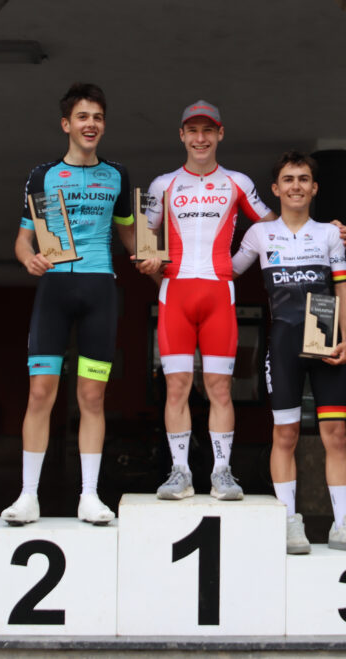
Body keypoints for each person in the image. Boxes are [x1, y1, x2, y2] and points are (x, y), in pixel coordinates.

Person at [232, 150, 346, 555]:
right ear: (275, 188)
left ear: (314, 188)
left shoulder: (329, 234)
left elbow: (342, 286)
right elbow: (226, 271)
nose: (295, 186)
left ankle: (342, 524)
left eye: (303, 179)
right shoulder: (260, 234)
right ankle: (287, 521)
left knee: (336, 434)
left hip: (324, 333)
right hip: (283, 340)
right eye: (288, 179)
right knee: (286, 433)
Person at [1, 83, 135, 526]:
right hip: (55, 289)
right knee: (41, 392)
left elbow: (129, 234)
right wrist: (29, 259)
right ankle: (28, 496)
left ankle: (89, 496)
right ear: (66, 124)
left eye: (97, 117)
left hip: (99, 289)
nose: (90, 124)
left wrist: (152, 257)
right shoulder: (42, 176)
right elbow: (23, 240)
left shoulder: (117, 175)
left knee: (92, 396)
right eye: (82, 117)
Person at [138, 100, 276, 502]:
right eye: (193, 131)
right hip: (175, 294)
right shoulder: (163, 184)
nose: (201, 138)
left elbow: (272, 226)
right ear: (182, 135)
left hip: (219, 294)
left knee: (220, 388)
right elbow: (144, 239)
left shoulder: (237, 182)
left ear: (220, 134)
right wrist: (149, 262)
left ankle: (221, 473)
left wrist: (319, 229)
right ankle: (180, 472)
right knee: (176, 387)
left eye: (208, 130)